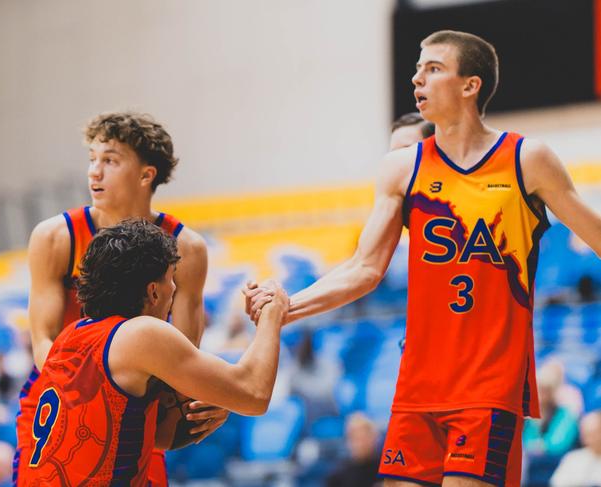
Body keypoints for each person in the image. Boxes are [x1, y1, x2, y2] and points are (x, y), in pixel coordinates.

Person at [245, 29, 601, 486]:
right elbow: (365, 268)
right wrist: (283, 308)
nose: (418, 79)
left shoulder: (526, 158)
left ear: (470, 85)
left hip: (489, 387)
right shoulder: (402, 167)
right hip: (418, 386)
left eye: (433, 68)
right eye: (417, 69)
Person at [21, 112, 227, 485]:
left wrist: (206, 396)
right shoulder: (56, 237)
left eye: (110, 160)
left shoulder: (187, 248)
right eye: (92, 159)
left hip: (136, 398)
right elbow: (42, 342)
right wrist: (93, 387)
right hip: (60, 397)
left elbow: (184, 352)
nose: (94, 172)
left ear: (146, 175)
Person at [15, 219, 287, 486]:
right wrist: (271, 315)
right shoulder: (142, 334)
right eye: (171, 279)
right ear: (153, 291)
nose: (174, 290)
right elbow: (254, 394)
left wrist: (217, 398)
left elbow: (146, 436)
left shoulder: (70, 336)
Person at [326, 413, 381, 487]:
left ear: (375, 437)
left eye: (364, 438)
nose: (360, 444)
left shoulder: (388, 469)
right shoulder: (338, 474)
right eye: (355, 438)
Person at [550, 410, 601, 486]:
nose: (589, 439)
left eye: (595, 434)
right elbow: (556, 483)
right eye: (587, 434)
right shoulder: (572, 458)